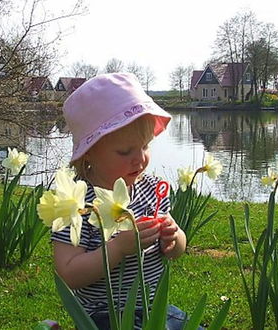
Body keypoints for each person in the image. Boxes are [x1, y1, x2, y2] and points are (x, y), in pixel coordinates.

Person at [51, 73, 194, 330]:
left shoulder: (152, 190)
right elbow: (68, 274)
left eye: (145, 146)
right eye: (125, 151)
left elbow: (176, 251)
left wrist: (173, 238)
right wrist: (117, 249)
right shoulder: (75, 202)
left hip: (154, 308)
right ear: (89, 151)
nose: (139, 160)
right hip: (104, 315)